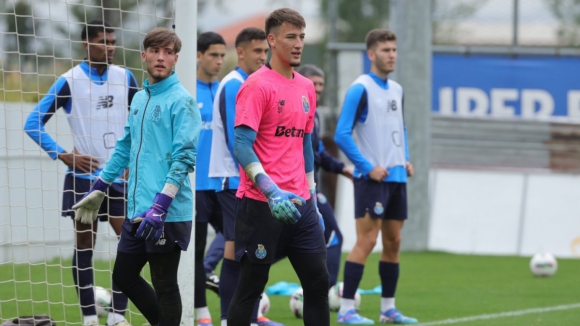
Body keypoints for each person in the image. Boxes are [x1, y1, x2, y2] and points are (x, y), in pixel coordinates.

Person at [71, 27, 201, 326]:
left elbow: (184, 160)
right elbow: (124, 147)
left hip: (166, 212)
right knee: (124, 276)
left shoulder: (183, 101)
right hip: (136, 209)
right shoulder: (141, 99)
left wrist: (161, 205)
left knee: (165, 283)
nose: (161, 57)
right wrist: (100, 186)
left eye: (168, 52)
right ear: (144, 56)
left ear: (175, 59)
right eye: (155, 51)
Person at [23, 19, 137, 326]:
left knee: (129, 244)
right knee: (84, 247)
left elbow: (140, 121)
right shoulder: (69, 81)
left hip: (118, 180)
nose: (110, 48)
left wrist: (131, 159)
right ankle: (89, 317)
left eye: (113, 42)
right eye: (104, 42)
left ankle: (117, 316)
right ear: (86, 44)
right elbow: (32, 122)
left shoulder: (125, 78)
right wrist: (63, 155)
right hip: (83, 181)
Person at [227, 8, 330, 326]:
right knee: (250, 290)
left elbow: (305, 145)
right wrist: (271, 191)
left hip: (301, 206)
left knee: (317, 285)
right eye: (290, 37)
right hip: (261, 205)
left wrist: (312, 198)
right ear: (272, 40)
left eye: (301, 36)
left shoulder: (306, 88)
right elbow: (241, 144)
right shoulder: (257, 85)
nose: (298, 43)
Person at [333, 29, 417, 325]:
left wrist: (404, 158)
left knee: (393, 241)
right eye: (385, 50)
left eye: (394, 49)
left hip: (396, 178)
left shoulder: (397, 89)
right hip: (372, 180)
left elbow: (401, 128)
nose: (391, 54)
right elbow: (341, 134)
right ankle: (345, 311)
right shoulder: (361, 88)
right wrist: (367, 167)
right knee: (366, 242)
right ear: (371, 54)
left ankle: (388, 309)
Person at [208, 27, 283, 326]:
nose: (262, 57)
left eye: (265, 51)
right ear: (240, 52)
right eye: (257, 51)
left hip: (248, 181)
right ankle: (235, 318)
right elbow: (234, 139)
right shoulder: (234, 84)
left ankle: (238, 318)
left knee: (240, 251)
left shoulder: (255, 82)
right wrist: (263, 178)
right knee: (243, 251)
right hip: (232, 180)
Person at [296, 64, 354, 289]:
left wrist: (342, 168)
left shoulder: (314, 114)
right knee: (332, 236)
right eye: (314, 83)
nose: (318, 88)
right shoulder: (297, 110)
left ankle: (322, 291)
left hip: (309, 188)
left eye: (321, 84)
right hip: (298, 189)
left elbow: (318, 152)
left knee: (327, 236)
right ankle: (324, 292)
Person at [194, 31, 227, 326]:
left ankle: (234, 311)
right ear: (199, 55)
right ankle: (201, 314)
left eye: (222, 56)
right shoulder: (186, 92)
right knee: (196, 250)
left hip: (223, 184)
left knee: (236, 239)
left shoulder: (227, 91)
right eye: (213, 55)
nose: (218, 61)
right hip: (195, 187)